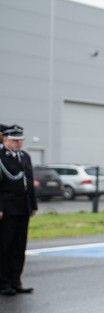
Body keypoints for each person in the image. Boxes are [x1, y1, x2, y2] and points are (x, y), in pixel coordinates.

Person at [0, 124, 37, 296]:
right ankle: (3, 283)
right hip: (7, 208)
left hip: (23, 207)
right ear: (5, 139)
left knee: (19, 247)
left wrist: (33, 205)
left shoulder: (25, 157)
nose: (18, 144)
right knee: (5, 246)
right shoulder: (1, 157)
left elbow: (29, 183)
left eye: (20, 141)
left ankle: (16, 281)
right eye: (15, 140)